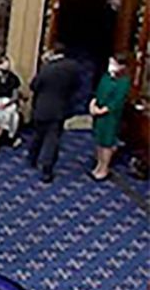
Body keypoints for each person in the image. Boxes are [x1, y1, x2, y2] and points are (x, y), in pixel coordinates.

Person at [29, 41, 81, 183]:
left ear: (52, 52)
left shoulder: (47, 69)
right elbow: (77, 86)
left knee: (39, 134)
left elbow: (34, 86)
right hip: (61, 108)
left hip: (42, 108)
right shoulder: (73, 67)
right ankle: (47, 169)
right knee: (53, 139)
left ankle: (32, 158)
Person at [89, 53, 131, 181]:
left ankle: (104, 168)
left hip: (110, 117)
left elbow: (117, 101)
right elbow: (98, 91)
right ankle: (98, 164)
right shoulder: (106, 77)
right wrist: (93, 104)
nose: (111, 66)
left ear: (121, 66)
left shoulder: (123, 82)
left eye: (114, 64)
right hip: (99, 113)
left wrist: (102, 111)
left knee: (107, 142)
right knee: (99, 140)